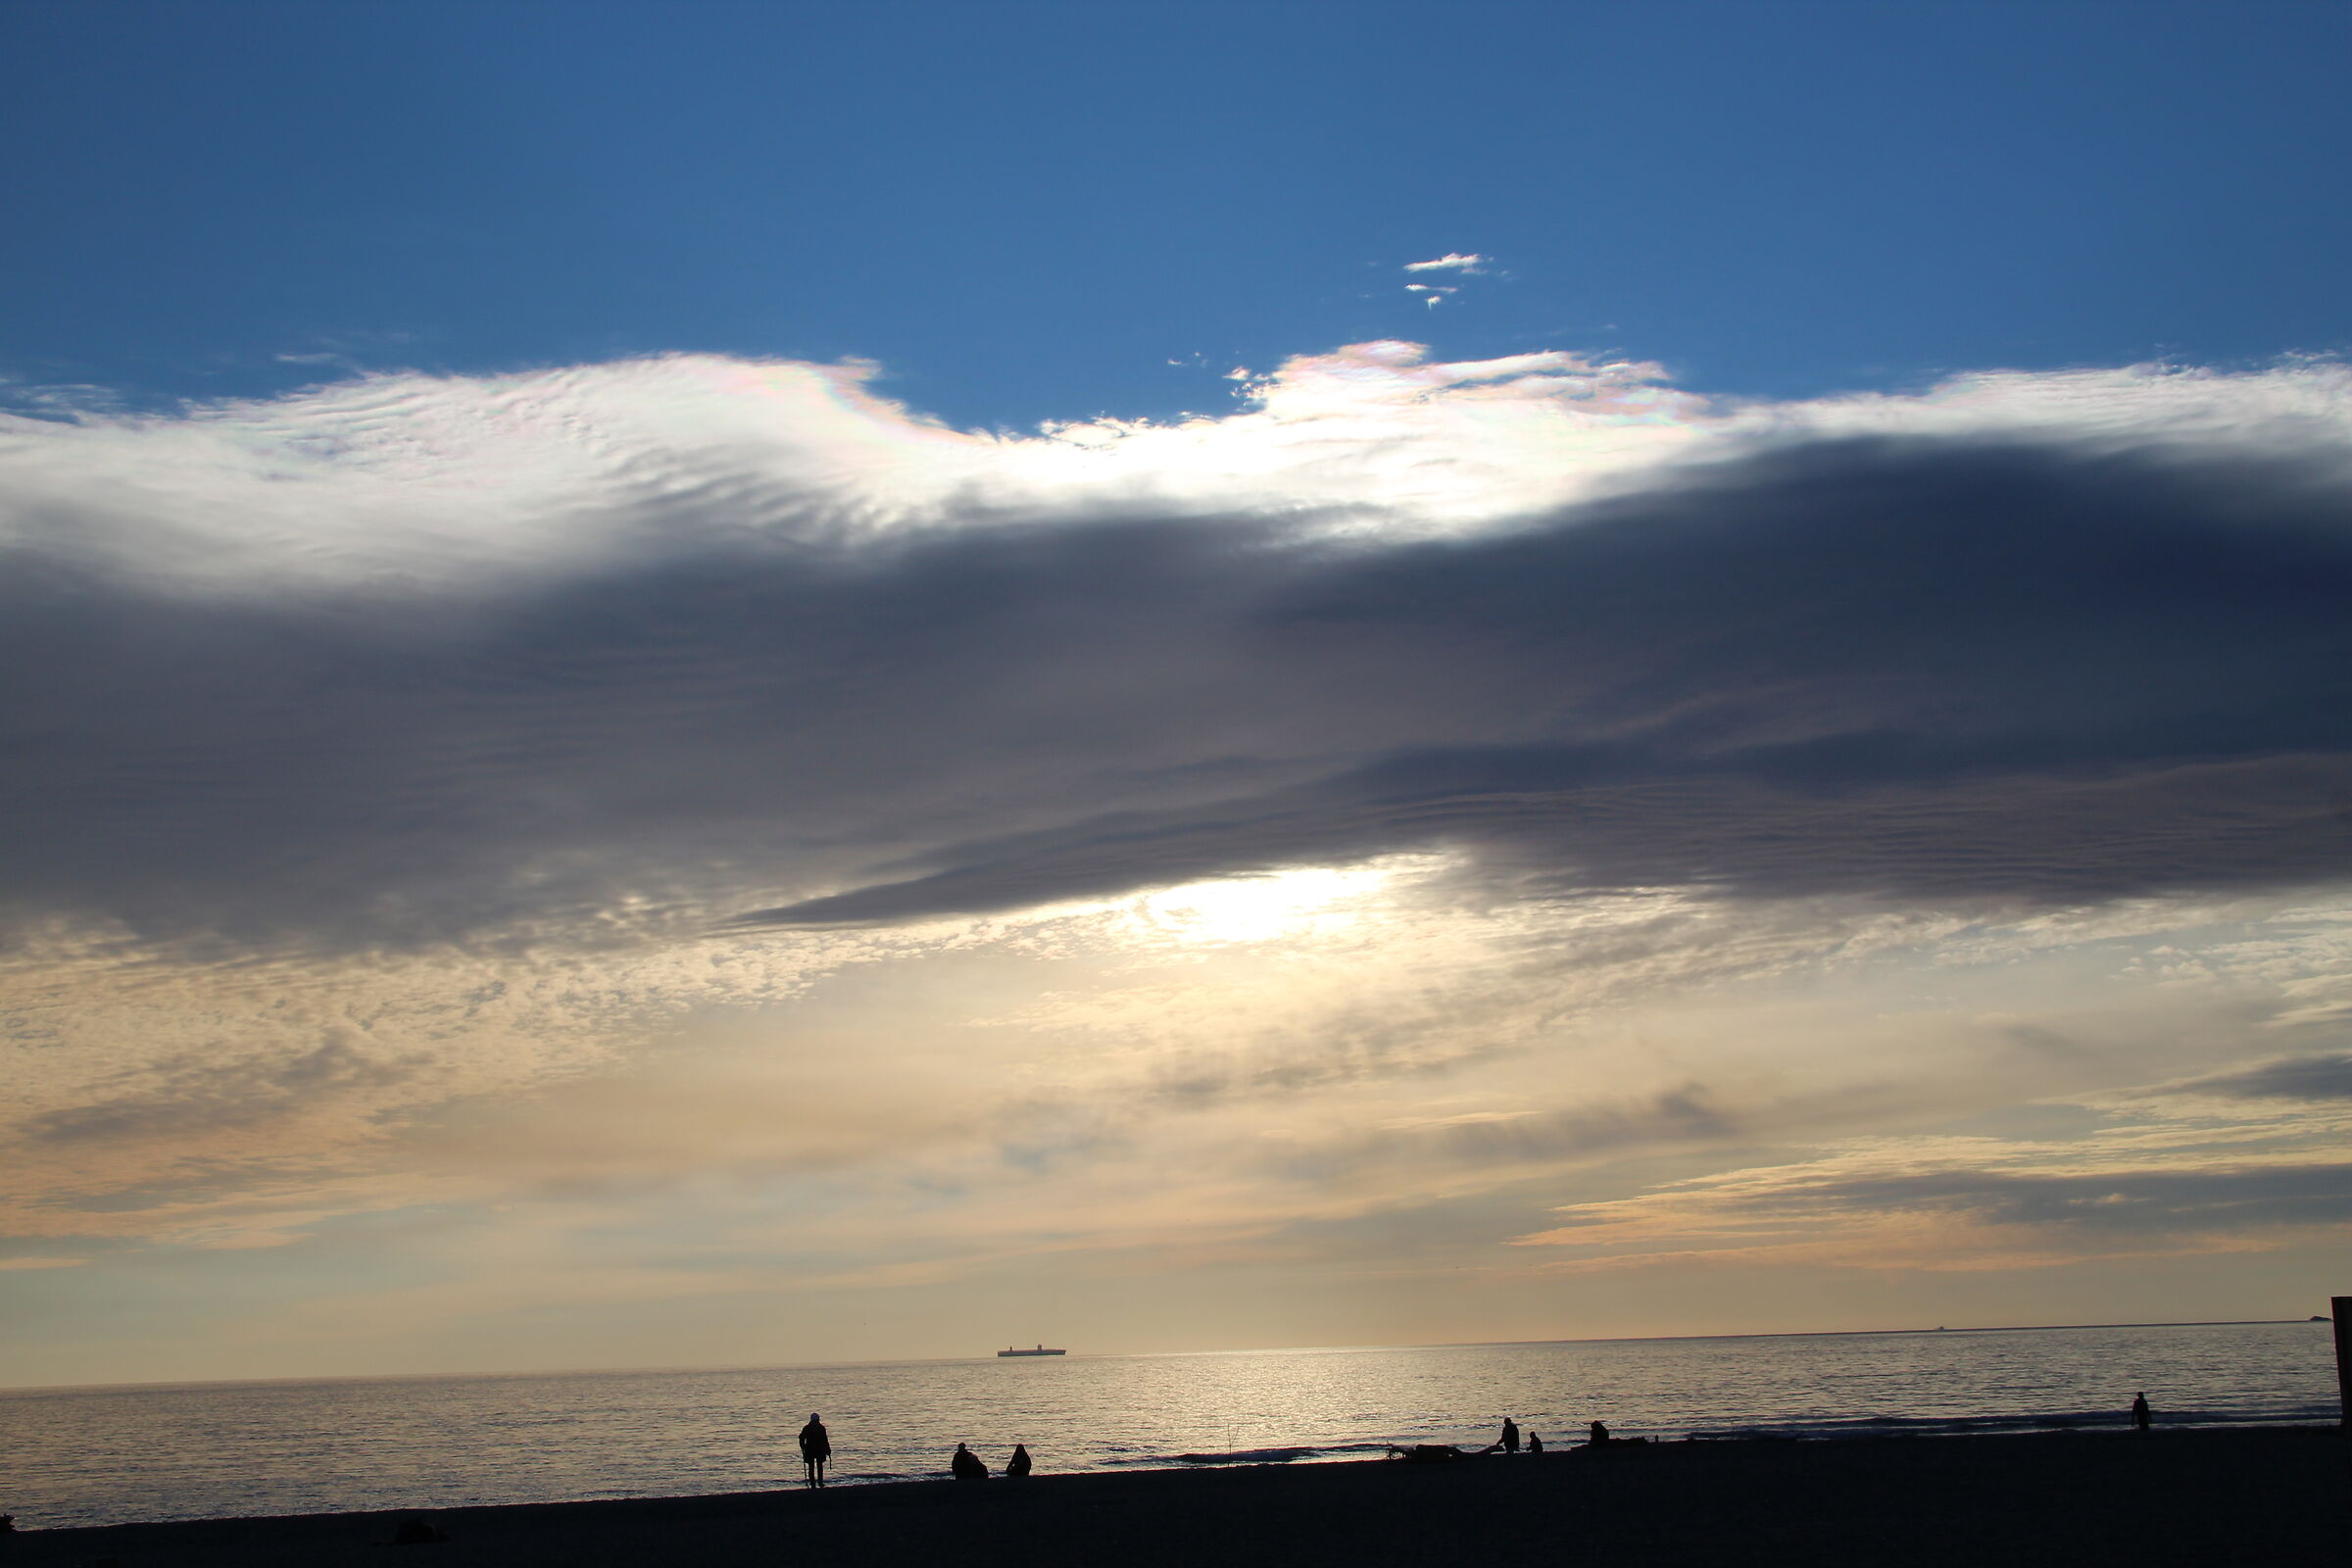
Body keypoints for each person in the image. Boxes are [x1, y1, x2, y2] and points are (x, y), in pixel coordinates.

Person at [798, 1413, 831, 1489]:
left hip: (810, 1450)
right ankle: (820, 1482)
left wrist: (803, 1446)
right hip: (819, 1449)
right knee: (819, 1466)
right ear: (818, 1419)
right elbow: (825, 1440)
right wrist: (827, 1450)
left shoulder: (807, 1427)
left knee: (811, 1467)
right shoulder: (821, 1428)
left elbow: (801, 1438)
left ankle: (813, 1483)